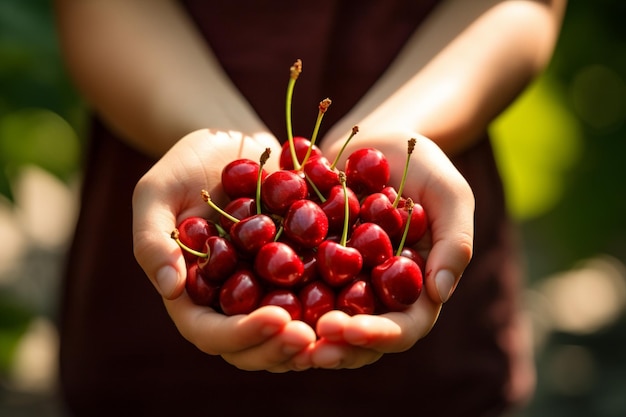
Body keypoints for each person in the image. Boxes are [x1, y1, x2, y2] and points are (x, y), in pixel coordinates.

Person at [54, 0, 566, 416]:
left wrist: (401, 127)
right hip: (155, 357)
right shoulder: (227, 226)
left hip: (429, 370)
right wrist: (209, 129)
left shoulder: (386, 221)